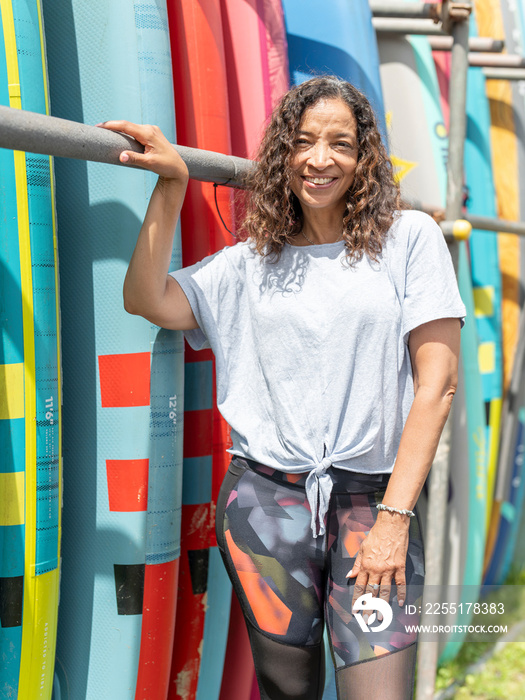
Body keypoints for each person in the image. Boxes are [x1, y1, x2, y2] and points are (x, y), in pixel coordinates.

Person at [99, 76, 465, 700]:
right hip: (265, 509)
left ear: (364, 158)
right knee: (288, 693)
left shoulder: (410, 240)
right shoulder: (247, 264)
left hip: (373, 504)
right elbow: (146, 298)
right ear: (281, 154)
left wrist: (392, 522)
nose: (320, 159)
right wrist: (173, 185)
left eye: (340, 144)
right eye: (303, 142)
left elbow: (439, 385)